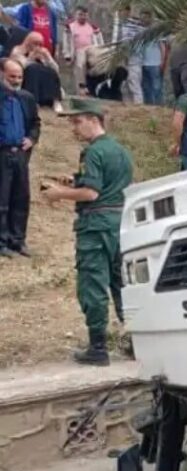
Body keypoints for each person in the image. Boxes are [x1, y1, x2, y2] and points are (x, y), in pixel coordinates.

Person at [41, 99, 133, 366]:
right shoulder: (120, 151)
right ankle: (138, 339)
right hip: (119, 224)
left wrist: (59, 195)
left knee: (92, 284)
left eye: (77, 121)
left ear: (94, 120)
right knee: (122, 284)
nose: (73, 127)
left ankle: (98, 347)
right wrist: (75, 180)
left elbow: (91, 193)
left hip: (95, 226)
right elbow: (110, 184)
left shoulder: (92, 152)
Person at [0, 58, 40, 259]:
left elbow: (35, 123)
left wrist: (32, 139)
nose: (16, 81)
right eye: (12, 76)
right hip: (2, 153)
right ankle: (2, 241)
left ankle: (18, 240)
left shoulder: (27, 98)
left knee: (21, 198)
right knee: (2, 199)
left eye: (19, 77)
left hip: (21, 155)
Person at [10, 31, 61, 109]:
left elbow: (56, 69)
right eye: (35, 43)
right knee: (33, 68)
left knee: (51, 71)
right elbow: (20, 67)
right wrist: (31, 58)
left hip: (43, 82)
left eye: (40, 44)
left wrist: (48, 58)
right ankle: (34, 101)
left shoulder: (43, 53)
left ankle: (55, 101)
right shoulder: (18, 50)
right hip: (26, 78)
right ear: (28, 42)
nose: (38, 47)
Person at [62, 6, 103, 96]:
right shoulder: (70, 27)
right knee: (80, 64)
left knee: (95, 66)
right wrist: (67, 55)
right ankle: (82, 87)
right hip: (78, 50)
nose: (82, 17)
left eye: (84, 15)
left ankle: (94, 87)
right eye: (80, 14)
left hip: (91, 50)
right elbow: (66, 43)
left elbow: (99, 40)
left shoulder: (92, 27)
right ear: (76, 15)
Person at [113, 7, 145, 104]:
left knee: (134, 85)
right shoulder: (121, 25)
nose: (121, 13)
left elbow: (131, 43)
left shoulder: (133, 25)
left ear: (127, 11)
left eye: (123, 11)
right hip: (124, 61)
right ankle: (129, 107)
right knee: (124, 86)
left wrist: (126, 54)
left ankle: (139, 107)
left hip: (134, 60)